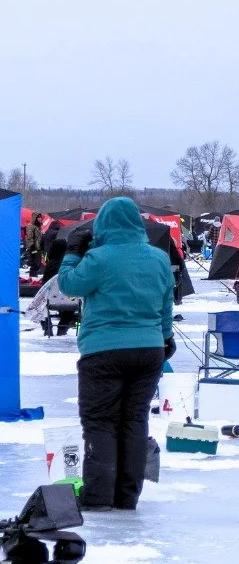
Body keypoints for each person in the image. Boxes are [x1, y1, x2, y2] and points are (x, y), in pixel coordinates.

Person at [57, 197, 174, 510]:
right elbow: (166, 302)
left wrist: (71, 253)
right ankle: (127, 496)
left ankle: (97, 497)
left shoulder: (99, 257)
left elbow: (70, 285)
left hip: (103, 351)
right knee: (134, 421)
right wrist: (165, 336)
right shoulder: (159, 258)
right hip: (149, 350)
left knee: (101, 422)